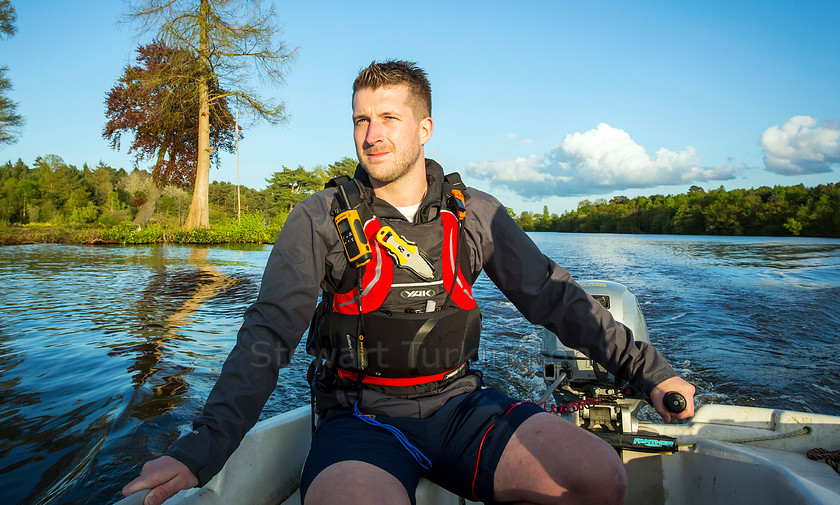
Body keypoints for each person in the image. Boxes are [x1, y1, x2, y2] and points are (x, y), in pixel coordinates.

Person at [123, 60, 696, 505]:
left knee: (598, 478)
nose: (372, 135)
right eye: (361, 120)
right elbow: (267, 336)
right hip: (361, 420)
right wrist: (201, 451)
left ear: (424, 127)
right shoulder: (318, 218)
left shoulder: (477, 215)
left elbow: (555, 297)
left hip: (459, 407)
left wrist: (648, 372)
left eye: (388, 118)